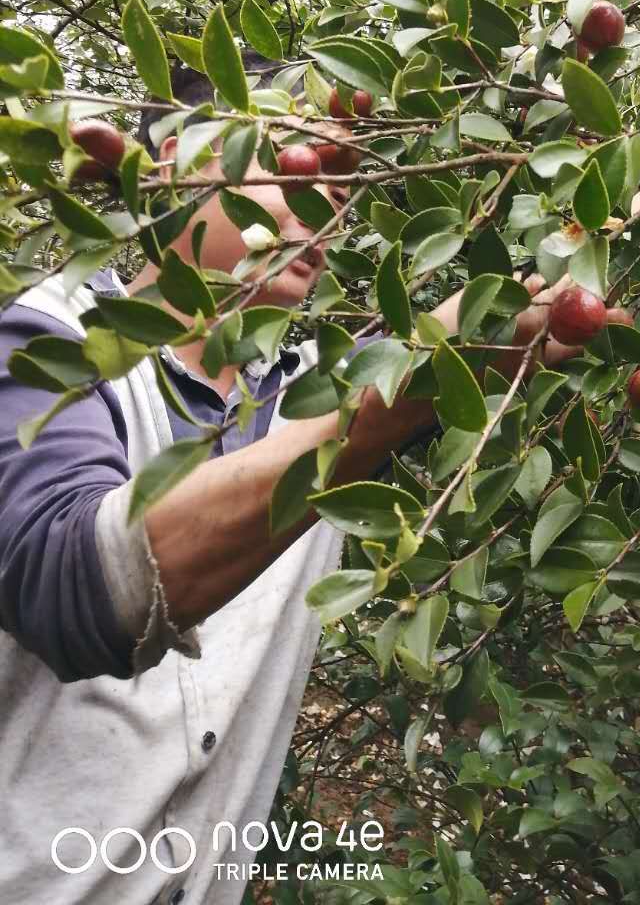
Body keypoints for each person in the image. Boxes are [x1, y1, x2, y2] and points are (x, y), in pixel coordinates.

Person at [0, 53, 575, 905]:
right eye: (293, 154)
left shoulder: (314, 385)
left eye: (343, 174)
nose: (327, 195)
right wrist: (425, 371)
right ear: (167, 167)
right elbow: (76, 586)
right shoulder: (42, 344)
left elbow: (558, 247)